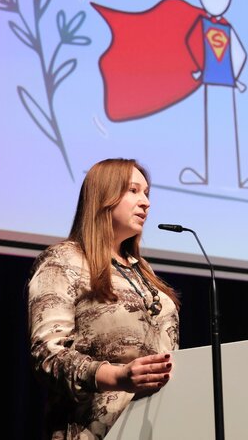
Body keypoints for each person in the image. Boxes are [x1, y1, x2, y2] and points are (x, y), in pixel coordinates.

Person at [27, 158, 180, 439]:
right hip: (93, 430)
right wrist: (118, 377)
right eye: (133, 190)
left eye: (147, 193)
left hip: (155, 427)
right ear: (103, 197)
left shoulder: (142, 271)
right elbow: (48, 356)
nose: (146, 202)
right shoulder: (64, 260)